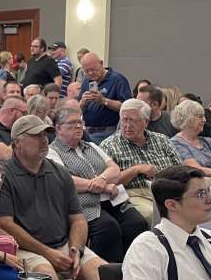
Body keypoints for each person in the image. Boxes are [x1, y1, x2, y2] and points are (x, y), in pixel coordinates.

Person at [0, 115, 105, 280]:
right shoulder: (3, 175)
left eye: (45, 134)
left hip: (64, 244)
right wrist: (47, 252)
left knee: (103, 273)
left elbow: (78, 218)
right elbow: (5, 224)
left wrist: (76, 249)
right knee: (45, 276)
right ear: (17, 143)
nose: (44, 140)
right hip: (25, 249)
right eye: (36, 135)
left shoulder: (59, 172)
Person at [47, 107, 148, 264]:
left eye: (80, 122)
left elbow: (114, 169)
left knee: (137, 223)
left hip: (113, 199)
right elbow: (66, 180)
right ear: (58, 128)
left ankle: (134, 268)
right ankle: (109, 274)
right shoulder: (52, 152)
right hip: (83, 205)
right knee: (109, 228)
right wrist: (104, 186)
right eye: (72, 123)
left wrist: (101, 179)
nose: (79, 127)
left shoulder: (91, 146)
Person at [100, 98, 183, 223]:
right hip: (134, 194)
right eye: (124, 120)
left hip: (168, 191)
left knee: (193, 210)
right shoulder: (109, 146)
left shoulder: (162, 140)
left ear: (146, 122)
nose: (127, 125)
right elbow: (106, 182)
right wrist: (135, 170)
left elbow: (180, 170)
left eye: (133, 120)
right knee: (154, 215)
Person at [66, 52, 129, 143]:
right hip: (87, 132)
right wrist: (83, 103)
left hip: (108, 132)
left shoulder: (117, 80)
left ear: (101, 63)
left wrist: (104, 101)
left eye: (93, 69)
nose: (91, 73)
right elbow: (79, 109)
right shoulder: (86, 81)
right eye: (86, 71)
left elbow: (126, 107)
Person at [0, 95, 27, 161]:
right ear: (12, 111)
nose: (26, 117)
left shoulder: (20, 128)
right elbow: (4, 155)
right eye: (24, 113)